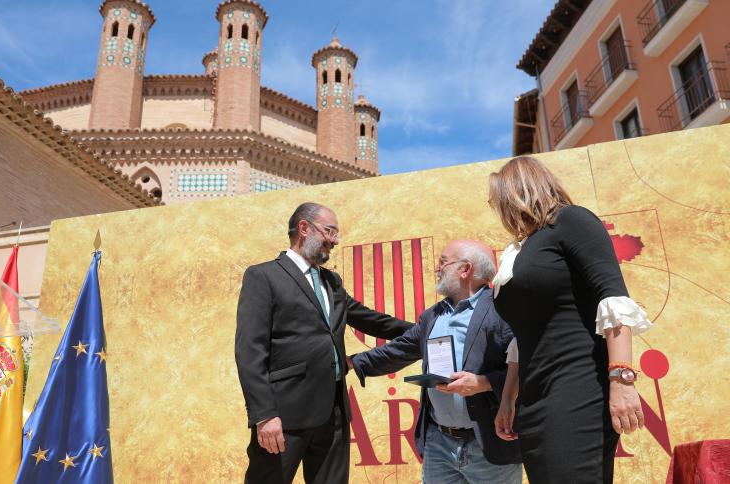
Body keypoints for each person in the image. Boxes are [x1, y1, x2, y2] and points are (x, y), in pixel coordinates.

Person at [487, 156, 652, 483]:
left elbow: (613, 297)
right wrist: (507, 399)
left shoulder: (570, 221)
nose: (495, 207)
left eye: (497, 198)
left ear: (517, 191)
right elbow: (524, 336)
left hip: (576, 390)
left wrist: (622, 381)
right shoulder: (519, 251)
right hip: (534, 402)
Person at [235, 202, 413, 484]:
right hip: (284, 416)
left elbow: (370, 320)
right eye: (329, 231)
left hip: (334, 413)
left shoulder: (332, 281)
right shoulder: (263, 276)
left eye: (336, 234)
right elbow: (249, 351)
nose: (334, 240)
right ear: (304, 228)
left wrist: (425, 331)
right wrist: (265, 415)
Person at [350, 240, 522, 484]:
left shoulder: (501, 310)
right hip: (439, 445)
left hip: (488, 444)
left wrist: (483, 382)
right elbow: (398, 350)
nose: (436, 267)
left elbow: (530, 368)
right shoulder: (432, 315)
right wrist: (350, 362)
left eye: (443, 261)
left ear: (465, 269)